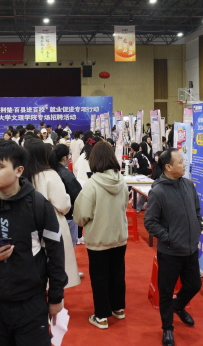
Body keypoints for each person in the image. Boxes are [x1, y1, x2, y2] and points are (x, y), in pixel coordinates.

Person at [0, 140, 67, 346]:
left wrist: (55, 297)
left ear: (19, 170)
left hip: (31, 303)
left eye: (0, 166)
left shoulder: (38, 205)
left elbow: (56, 254)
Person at [144, 148, 203, 346]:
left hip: (190, 248)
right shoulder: (158, 191)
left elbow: (196, 211)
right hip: (170, 252)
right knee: (166, 291)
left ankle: (178, 306)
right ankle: (167, 328)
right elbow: (150, 222)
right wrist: (169, 238)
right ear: (168, 167)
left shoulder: (188, 185)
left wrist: (198, 227)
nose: (184, 164)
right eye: (180, 162)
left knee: (194, 285)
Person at [74, 141, 129, 330]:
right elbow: (124, 204)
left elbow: (81, 215)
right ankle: (118, 308)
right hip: (119, 236)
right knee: (117, 274)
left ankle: (101, 316)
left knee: (99, 277)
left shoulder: (92, 185)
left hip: (98, 238)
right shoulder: (122, 181)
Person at [23, 138, 80, 290]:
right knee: (55, 269)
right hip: (52, 224)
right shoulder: (49, 175)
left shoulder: (21, 176)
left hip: (26, 225)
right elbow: (63, 205)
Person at [49, 144, 82, 250]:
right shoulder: (66, 174)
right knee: (69, 248)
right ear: (64, 158)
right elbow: (77, 195)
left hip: (51, 215)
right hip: (68, 215)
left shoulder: (49, 171)